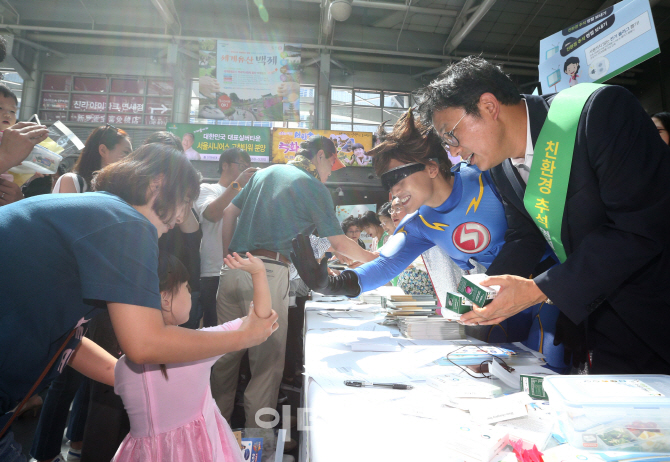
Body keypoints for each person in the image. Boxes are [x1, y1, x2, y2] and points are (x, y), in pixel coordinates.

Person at [0, 144, 278, 459]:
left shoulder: (97, 214)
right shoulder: (127, 222)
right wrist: (246, 336)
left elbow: (68, 340)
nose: (182, 216)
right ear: (157, 184)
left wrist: (135, 382)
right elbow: (144, 344)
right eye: (185, 201)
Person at [417, 56, 670, 374]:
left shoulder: (598, 112)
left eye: (450, 135)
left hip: (654, 310)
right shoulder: (500, 166)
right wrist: (479, 291)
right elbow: (527, 234)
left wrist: (538, 290)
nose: (452, 153)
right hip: (595, 321)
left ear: (488, 106)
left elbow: (638, 227)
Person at [291, 112, 568, 370]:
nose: (394, 192)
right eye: (388, 184)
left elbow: (533, 235)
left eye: (398, 177)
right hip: (493, 303)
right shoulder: (419, 224)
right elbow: (385, 264)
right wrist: (335, 284)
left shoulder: (488, 176)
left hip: (547, 292)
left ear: (432, 167)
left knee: (550, 375)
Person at [212, 135, 376, 428]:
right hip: (268, 274)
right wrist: (375, 260)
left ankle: (212, 434)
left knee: (224, 358)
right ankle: (257, 444)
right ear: (322, 156)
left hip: (232, 270)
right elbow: (338, 242)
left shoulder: (264, 174)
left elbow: (228, 213)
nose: (329, 173)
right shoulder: (312, 185)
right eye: (332, 165)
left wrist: (228, 255)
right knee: (266, 365)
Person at [112, 251, 270, 462]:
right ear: (165, 299)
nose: (190, 294)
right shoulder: (197, 349)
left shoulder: (122, 365)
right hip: (200, 451)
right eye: (187, 287)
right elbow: (260, 321)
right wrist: (259, 272)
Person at [193, 147, 257, 327]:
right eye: (242, 166)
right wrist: (237, 184)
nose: (246, 170)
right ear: (225, 165)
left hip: (246, 270)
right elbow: (212, 214)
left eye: (249, 167)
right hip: (214, 271)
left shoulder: (252, 195)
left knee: (245, 327)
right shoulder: (207, 188)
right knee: (216, 327)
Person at [52, 124, 132, 193]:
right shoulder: (71, 181)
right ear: (103, 150)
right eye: (126, 152)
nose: (130, 159)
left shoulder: (123, 189)